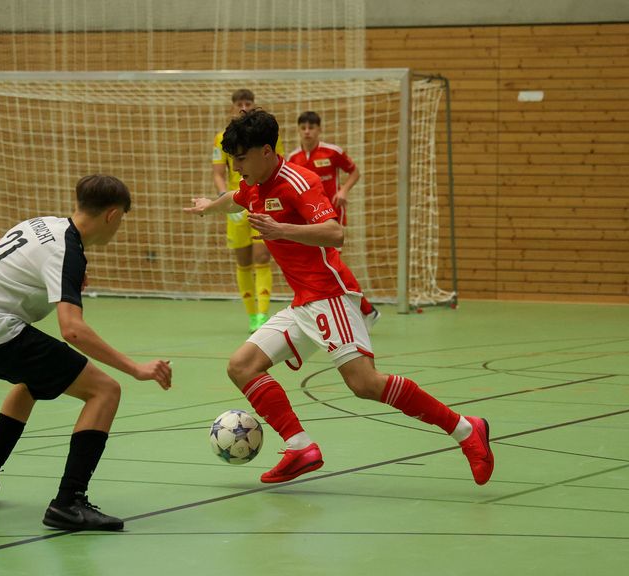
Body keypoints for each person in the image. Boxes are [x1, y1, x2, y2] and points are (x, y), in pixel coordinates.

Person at [186, 110, 493, 485]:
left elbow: (334, 233)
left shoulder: (300, 182)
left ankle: (466, 430)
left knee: (364, 384)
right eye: (232, 160)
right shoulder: (254, 184)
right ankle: (300, 447)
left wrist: (281, 229)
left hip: (330, 295)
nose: (236, 167)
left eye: (241, 159)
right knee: (241, 366)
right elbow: (236, 197)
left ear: (266, 151)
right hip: (303, 302)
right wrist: (209, 206)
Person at [0, 174, 172, 531]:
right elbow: (73, 330)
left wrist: (58, 280)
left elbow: (3, 254)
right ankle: (69, 502)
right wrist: (135, 368)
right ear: (112, 215)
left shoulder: (40, 224)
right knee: (105, 390)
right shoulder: (67, 249)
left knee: (33, 380)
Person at [286, 111, 376, 323]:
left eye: (312, 127)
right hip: (306, 220)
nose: (307, 131)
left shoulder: (332, 152)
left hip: (331, 215)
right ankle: (358, 310)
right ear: (298, 130)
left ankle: (363, 310)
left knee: (331, 264)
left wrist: (343, 190)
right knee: (321, 265)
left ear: (319, 129)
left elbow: (354, 171)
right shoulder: (293, 158)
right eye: (303, 127)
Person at [212, 89, 284, 333]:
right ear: (232, 107)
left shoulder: (268, 136)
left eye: (248, 102)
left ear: (254, 105)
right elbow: (218, 173)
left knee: (262, 257)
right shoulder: (222, 137)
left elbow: (276, 167)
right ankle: (251, 314)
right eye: (239, 103)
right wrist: (224, 199)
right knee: (243, 262)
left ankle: (263, 314)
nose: (243, 106)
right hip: (236, 204)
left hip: (261, 201)